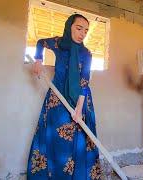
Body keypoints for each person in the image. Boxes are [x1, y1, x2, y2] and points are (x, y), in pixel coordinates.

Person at [27, 14, 101, 179]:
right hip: (57, 98)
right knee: (54, 138)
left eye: (86, 31)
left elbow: (84, 82)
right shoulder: (59, 43)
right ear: (70, 27)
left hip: (80, 100)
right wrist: (38, 60)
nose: (82, 33)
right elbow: (40, 42)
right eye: (79, 28)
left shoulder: (86, 54)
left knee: (79, 138)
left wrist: (79, 109)